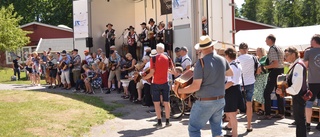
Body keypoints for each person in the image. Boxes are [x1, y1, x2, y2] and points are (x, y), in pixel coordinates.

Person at [175, 35, 233, 137]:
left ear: (201, 49)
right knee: (217, 130)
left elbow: (196, 87)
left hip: (205, 101)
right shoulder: (222, 60)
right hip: (220, 99)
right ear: (212, 47)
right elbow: (230, 73)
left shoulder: (200, 63)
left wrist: (180, 91)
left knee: (194, 128)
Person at [276, 47, 307, 137]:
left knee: (300, 121)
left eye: (287, 55)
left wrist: (284, 91)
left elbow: (296, 88)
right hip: (298, 96)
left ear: (293, 54)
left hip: (298, 96)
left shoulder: (298, 66)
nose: (285, 58)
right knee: (299, 121)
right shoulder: (296, 64)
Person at [143, 43, 175, 128]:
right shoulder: (168, 58)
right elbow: (173, 71)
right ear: (163, 50)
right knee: (166, 102)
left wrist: (145, 77)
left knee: (156, 103)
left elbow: (152, 72)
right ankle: (167, 121)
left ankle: (159, 122)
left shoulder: (153, 59)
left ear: (157, 50)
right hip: (165, 82)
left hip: (156, 83)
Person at [259, 34, 285, 120]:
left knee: (267, 93)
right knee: (280, 92)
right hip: (281, 71)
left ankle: (268, 113)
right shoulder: (279, 48)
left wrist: (264, 67)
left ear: (270, 40)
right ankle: (281, 113)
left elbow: (275, 63)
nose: (265, 41)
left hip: (275, 71)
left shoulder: (272, 49)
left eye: (266, 39)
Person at [237, 42, 258, 132]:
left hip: (240, 84)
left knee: (235, 105)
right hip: (251, 82)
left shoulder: (237, 59)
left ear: (240, 49)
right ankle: (249, 125)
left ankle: (231, 124)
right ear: (247, 49)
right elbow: (259, 69)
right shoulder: (253, 58)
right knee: (249, 105)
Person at [224, 48, 242, 137]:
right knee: (233, 114)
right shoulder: (237, 64)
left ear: (227, 56)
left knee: (232, 114)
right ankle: (233, 132)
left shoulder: (231, 66)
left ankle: (234, 134)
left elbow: (230, 82)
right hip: (236, 89)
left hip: (232, 90)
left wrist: (221, 89)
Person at [304, 34, 320, 132]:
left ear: (314, 41)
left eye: (311, 40)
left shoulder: (308, 52)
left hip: (313, 81)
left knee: (309, 102)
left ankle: (308, 124)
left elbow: (305, 66)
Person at [253, 47, 269, 116]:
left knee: (262, 92)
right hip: (259, 77)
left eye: (257, 51)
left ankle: (263, 109)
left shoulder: (264, 58)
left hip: (262, 77)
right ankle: (263, 108)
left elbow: (261, 68)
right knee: (259, 92)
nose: (256, 52)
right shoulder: (258, 58)